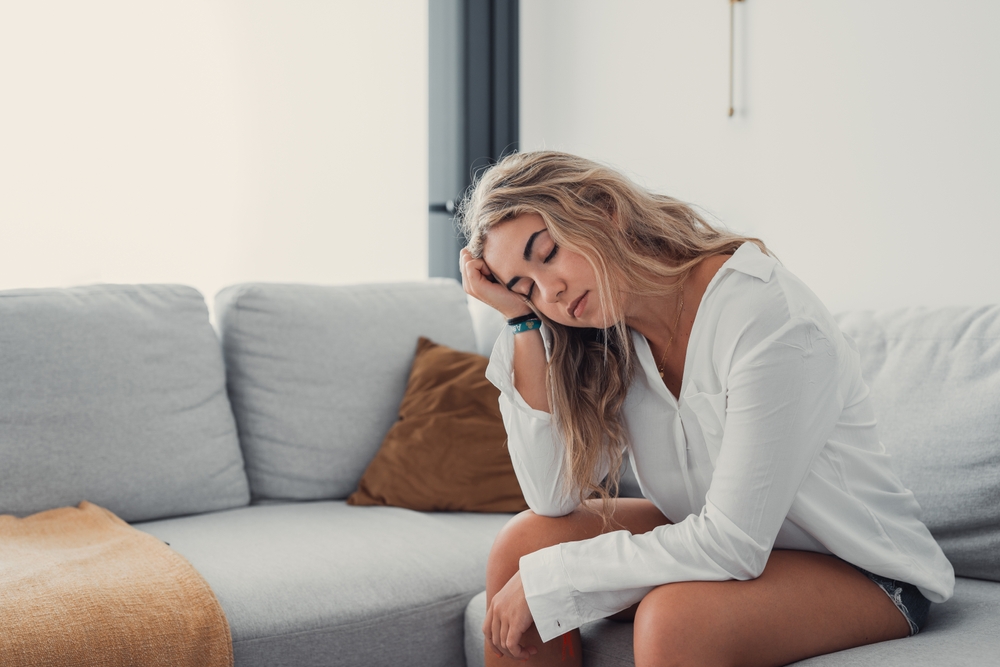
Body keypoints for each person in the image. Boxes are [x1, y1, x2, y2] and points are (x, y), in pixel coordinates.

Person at [457, 151, 954, 667]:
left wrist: (555, 578)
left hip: (860, 568)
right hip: (718, 536)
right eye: (526, 288)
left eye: (549, 253)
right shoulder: (609, 338)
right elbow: (552, 496)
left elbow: (733, 543)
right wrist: (521, 324)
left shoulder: (763, 313)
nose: (550, 291)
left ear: (605, 211)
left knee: (674, 620)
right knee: (524, 543)